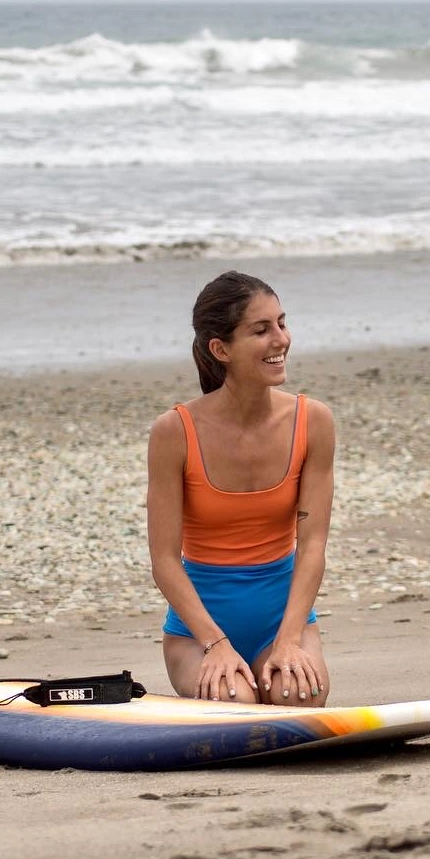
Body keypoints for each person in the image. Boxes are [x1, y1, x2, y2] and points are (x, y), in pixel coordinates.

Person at [147, 271, 336, 705]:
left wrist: (290, 639)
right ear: (221, 349)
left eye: (282, 323)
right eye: (261, 329)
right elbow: (163, 560)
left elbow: (312, 546)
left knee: (298, 698)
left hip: (282, 620)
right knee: (234, 705)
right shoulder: (174, 431)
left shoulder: (313, 421)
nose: (281, 339)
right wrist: (214, 644)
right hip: (199, 631)